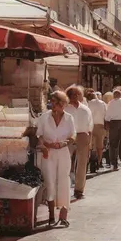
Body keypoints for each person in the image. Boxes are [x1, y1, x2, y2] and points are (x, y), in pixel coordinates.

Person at [37, 91, 76, 227]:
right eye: (52, 102)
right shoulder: (44, 118)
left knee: (64, 181)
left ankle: (63, 215)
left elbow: (72, 136)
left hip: (63, 152)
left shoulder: (69, 118)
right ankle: (51, 215)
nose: (54, 106)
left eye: (57, 103)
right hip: (49, 153)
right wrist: (45, 145)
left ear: (63, 104)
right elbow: (40, 136)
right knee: (50, 182)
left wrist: (63, 143)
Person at [65, 86, 93, 199]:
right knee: (66, 163)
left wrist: (89, 140)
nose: (76, 96)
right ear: (69, 95)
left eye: (78, 94)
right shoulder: (65, 108)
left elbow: (90, 125)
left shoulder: (85, 109)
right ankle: (64, 188)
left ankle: (79, 190)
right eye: (73, 94)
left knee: (81, 164)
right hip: (68, 136)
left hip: (82, 135)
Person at [105, 88, 121, 169]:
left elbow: (108, 115)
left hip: (114, 123)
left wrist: (107, 122)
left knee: (113, 144)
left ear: (114, 95)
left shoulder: (111, 103)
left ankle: (114, 162)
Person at [86, 89, 107, 171]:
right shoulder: (103, 104)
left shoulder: (89, 104)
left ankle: (92, 162)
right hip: (100, 126)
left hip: (91, 126)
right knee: (100, 146)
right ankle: (98, 162)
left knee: (91, 146)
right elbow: (106, 115)